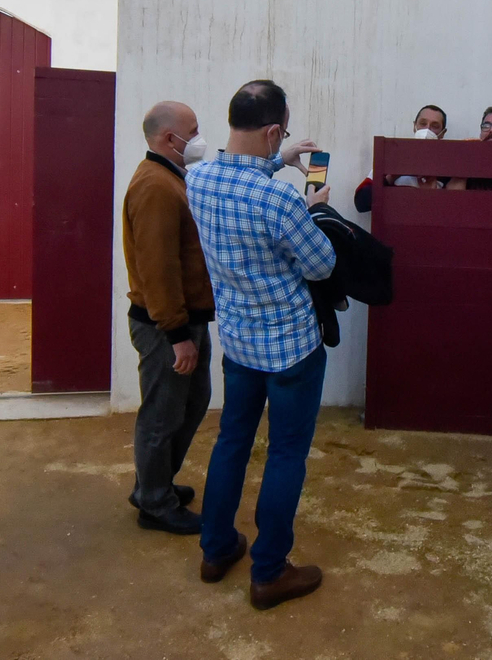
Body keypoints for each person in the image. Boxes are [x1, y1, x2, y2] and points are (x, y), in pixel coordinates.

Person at [187, 80, 337, 611]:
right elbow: (322, 264)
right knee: (285, 454)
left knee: (232, 441)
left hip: (239, 342)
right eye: (284, 136)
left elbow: (240, 181)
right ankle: (269, 572)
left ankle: (216, 548)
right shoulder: (281, 198)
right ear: (274, 130)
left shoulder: (198, 179)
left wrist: (279, 160)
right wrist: (314, 206)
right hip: (292, 347)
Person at [122, 101, 215, 536]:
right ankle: (154, 503)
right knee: (161, 415)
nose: (199, 138)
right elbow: (158, 269)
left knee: (190, 404)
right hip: (167, 327)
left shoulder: (171, 178)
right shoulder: (156, 187)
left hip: (185, 320)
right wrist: (178, 335)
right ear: (168, 139)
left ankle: (154, 486)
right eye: (192, 131)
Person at [354, 104, 447, 213]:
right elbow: (361, 203)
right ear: (414, 126)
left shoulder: (449, 169)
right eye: (422, 123)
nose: (427, 130)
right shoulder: (391, 160)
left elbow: (455, 213)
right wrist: (393, 175)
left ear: (442, 133)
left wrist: (430, 193)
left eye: (435, 126)